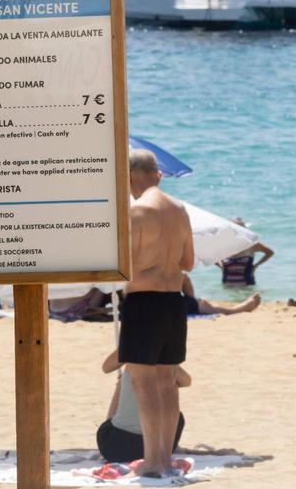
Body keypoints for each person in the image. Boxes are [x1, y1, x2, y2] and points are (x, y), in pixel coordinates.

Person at [120, 149, 194, 477]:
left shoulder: (137, 212)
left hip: (144, 303)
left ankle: (152, 461)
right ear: (158, 174)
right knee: (167, 383)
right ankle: (164, 458)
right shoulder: (180, 211)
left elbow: (125, 266)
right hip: (173, 302)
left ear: (131, 177)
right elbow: (188, 263)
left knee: (143, 383)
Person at [97, 349, 189, 463]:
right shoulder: (168, 361)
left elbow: (106, 367)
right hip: (163, 447)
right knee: (169, 383)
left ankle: (113, 421)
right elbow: (187, 381)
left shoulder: (134, 350)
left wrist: (125, 355)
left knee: (127, 379)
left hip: (118, 448)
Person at [218, 220, 274, 286]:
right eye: (235, 228)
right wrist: (221, 265)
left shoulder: (251, 244)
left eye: (240, 228)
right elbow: (211, 256)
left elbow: (270, 252)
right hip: (227, 287)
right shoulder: (225, 245)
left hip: (246, 288)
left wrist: (256, 265)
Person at [181, 275, 259, 316]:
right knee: (201, 304)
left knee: (198, 303)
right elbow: (185, 275)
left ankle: (195, 303)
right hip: (173, 305)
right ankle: (236, 310)